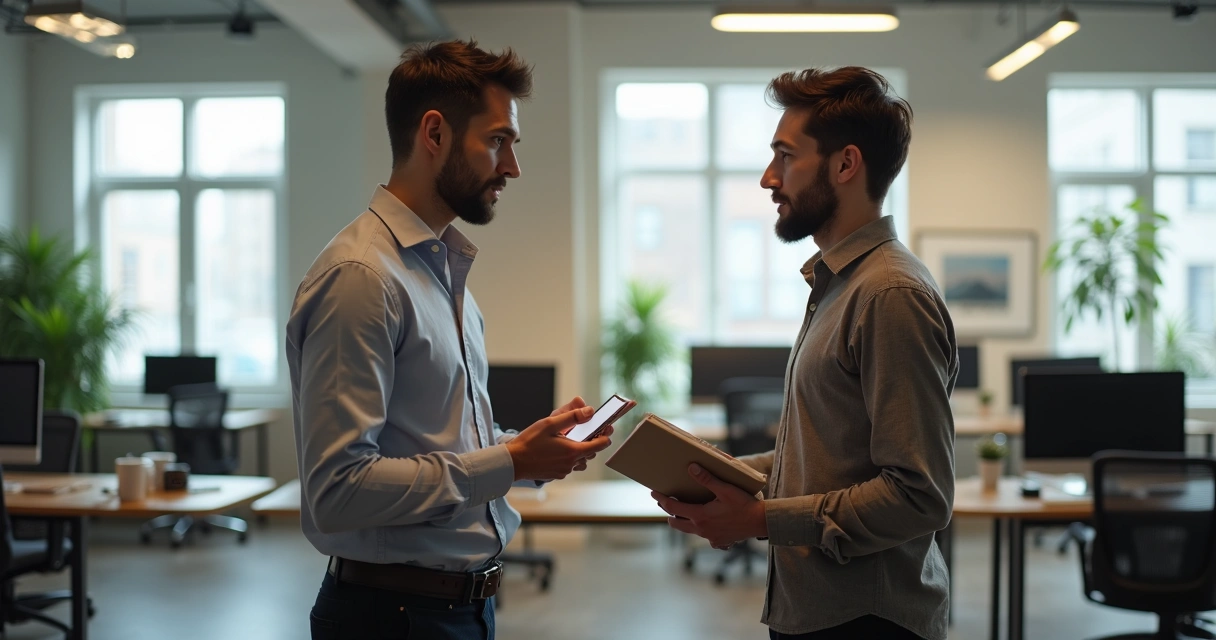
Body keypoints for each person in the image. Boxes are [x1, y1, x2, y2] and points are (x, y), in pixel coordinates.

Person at [288, 40, 622, 640]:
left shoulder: (443, 275)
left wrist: (526, 451)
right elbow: (336, 492)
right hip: (391, 618)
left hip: (460, 609)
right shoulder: (362, 279)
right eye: (498, 141)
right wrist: (509, 462)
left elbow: (440, 440)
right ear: (434, 134)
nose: (513, 166)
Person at [652, 67, 958, 640]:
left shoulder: (890, 294)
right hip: (816, 608)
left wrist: (759, 518)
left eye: (785, 156)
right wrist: (726, 479)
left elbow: (920, 495)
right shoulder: (838, 285)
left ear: (845, 165)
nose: (770, 179)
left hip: (867, 620)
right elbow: (828, 453)